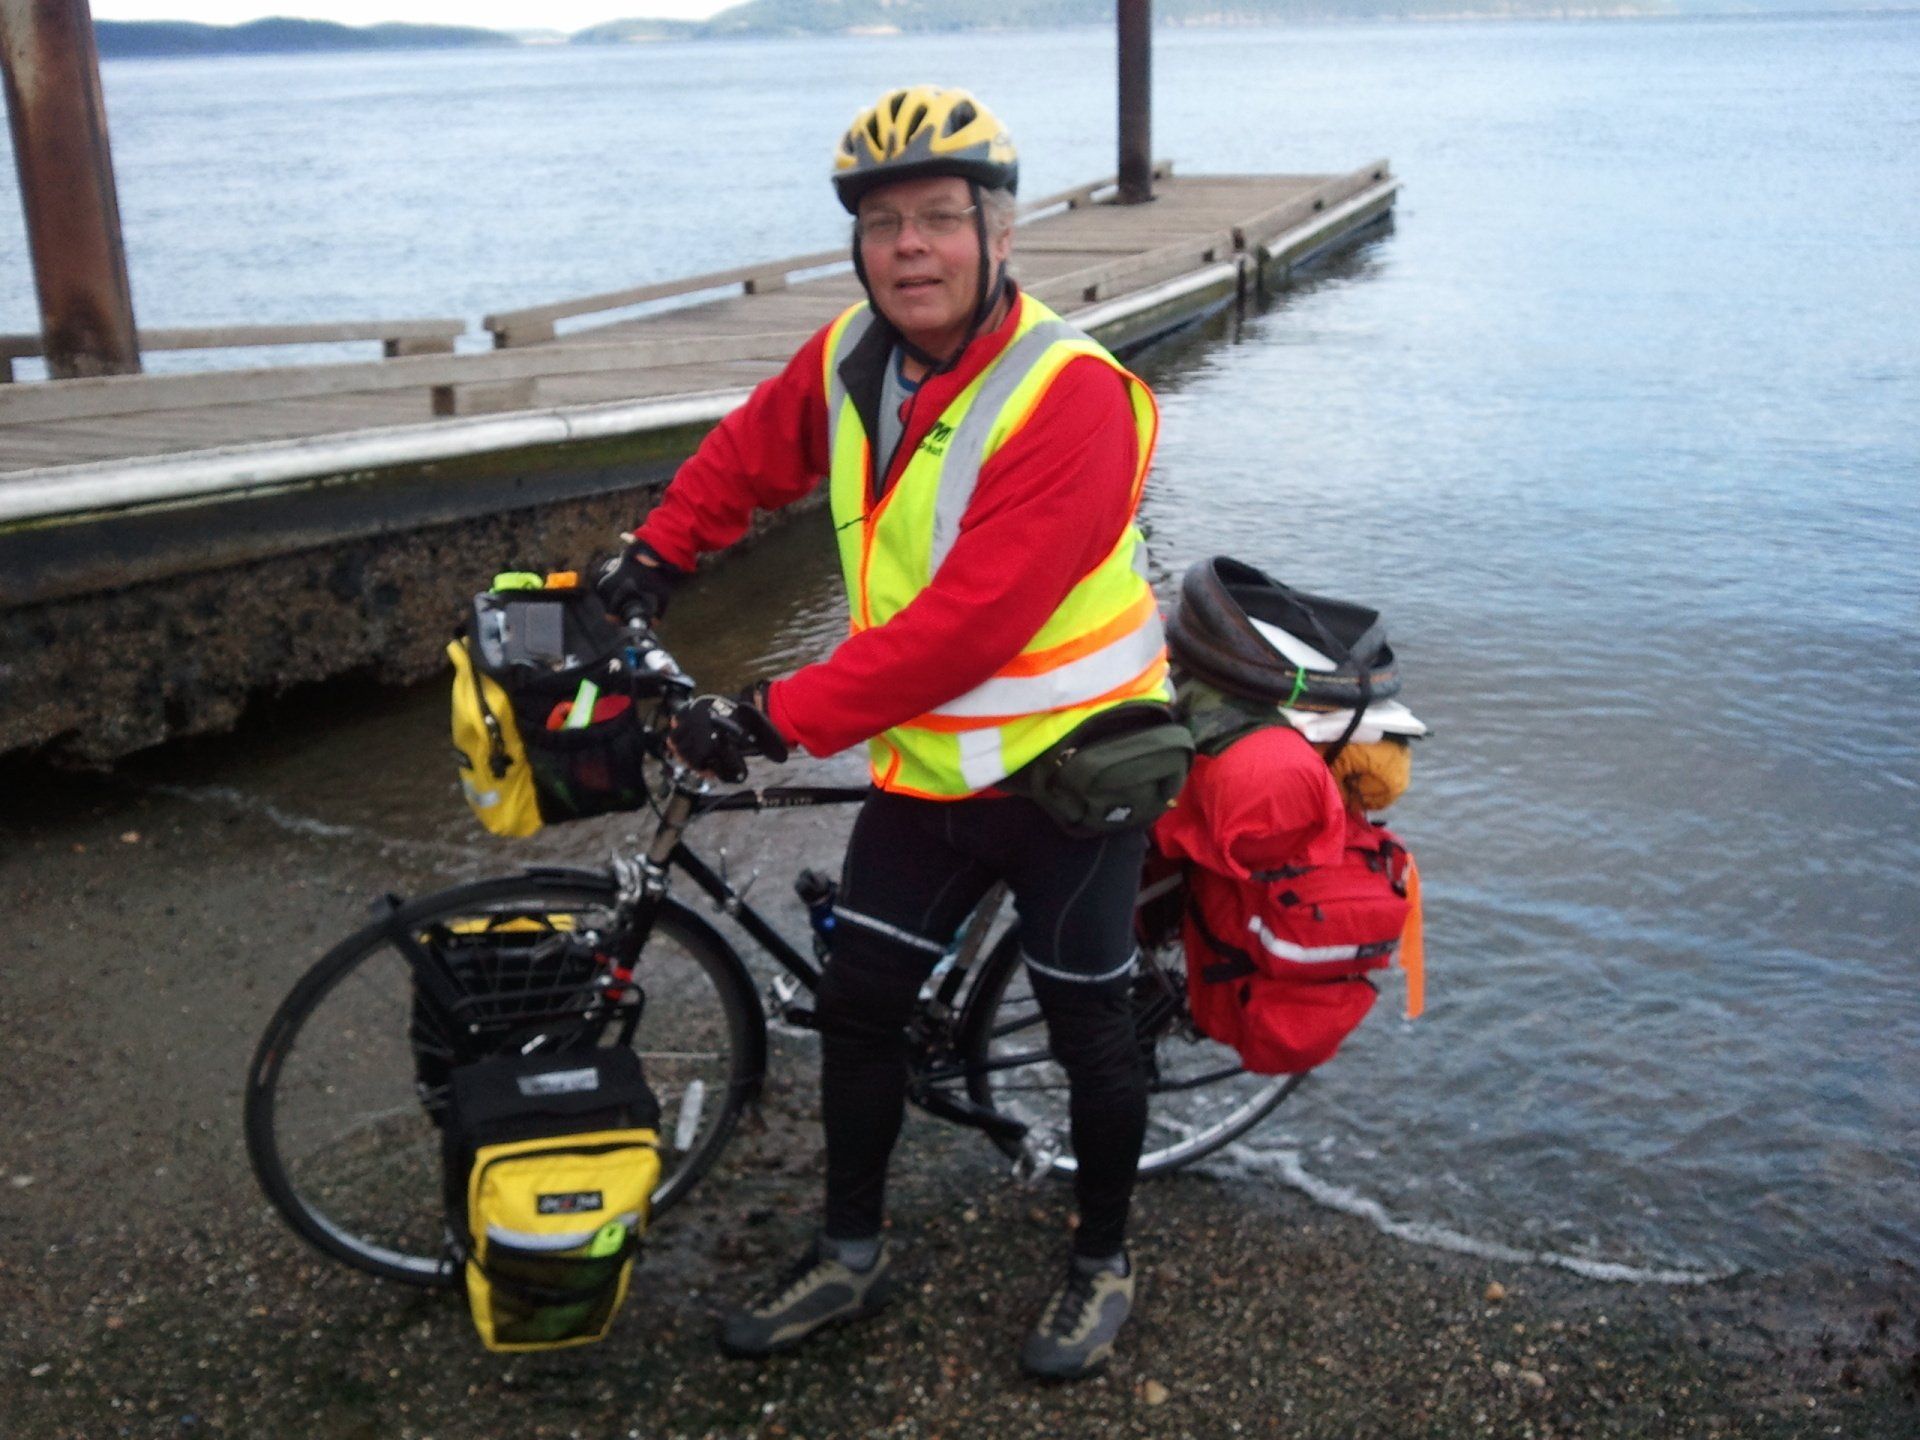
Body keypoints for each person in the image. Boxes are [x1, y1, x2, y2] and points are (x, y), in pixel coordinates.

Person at [592, 85, 1168, 1380]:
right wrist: (658, 552)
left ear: (1001, 233)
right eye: (884, 223)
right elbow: (754, 451)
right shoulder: (856, 354)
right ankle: (848, 1253)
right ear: (858, 243)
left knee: (1091, 1031)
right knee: (859, 1012)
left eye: (941, 219)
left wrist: (772, 716)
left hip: (1073, 776)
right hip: (932, 769)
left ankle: (1103, 1260)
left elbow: (969, 626)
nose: (911, 248)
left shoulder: (1075, 398)